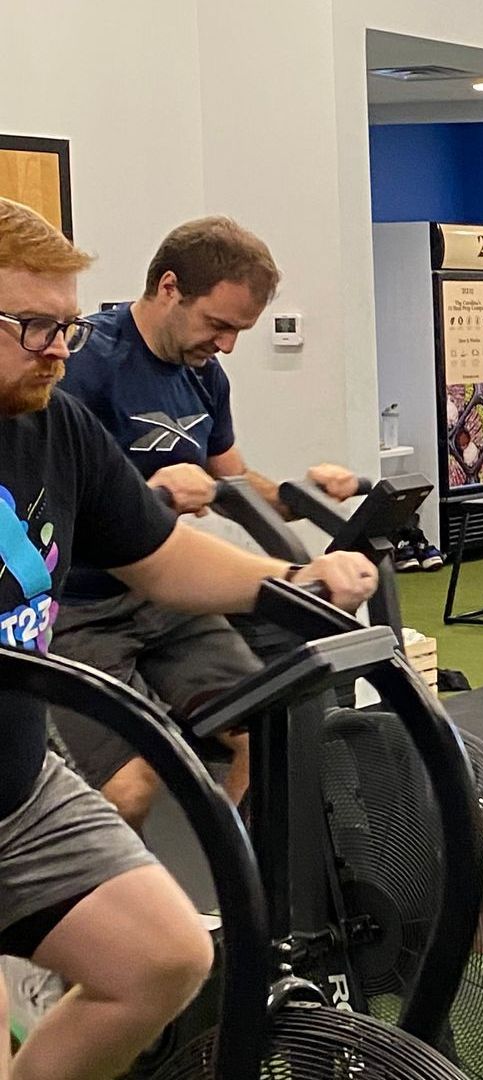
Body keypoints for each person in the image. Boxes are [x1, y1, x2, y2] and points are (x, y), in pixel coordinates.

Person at [0, 197, 375, 1080]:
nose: (58, 348)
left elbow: (164, 560)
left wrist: (296, 581)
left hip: (16, 779)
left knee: (163, 958)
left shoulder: (51, 423)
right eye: (31, 326)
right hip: (81, 644)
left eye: (66, 329)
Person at [49, 217, 363, 830]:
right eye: (218, 325)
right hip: (77, 609)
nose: (226, 346)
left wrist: (301, 495)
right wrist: (148, 496)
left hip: (164, 596)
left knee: (271, 731)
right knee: (131, 789)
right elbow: (50, 502)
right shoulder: (84, 364)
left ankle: (250, 906)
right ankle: (120, 918)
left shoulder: (204, 378)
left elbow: (236, 482)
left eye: (238, 332)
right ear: (169, 288)